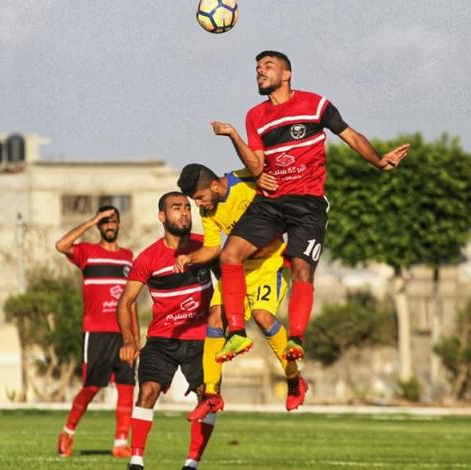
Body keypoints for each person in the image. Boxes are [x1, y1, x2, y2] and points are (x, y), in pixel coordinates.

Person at [212, 50, 410, 367]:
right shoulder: (255, 116)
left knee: (302, 270)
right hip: (270, 202)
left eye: (268, 66)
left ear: (287, 74)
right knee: (229, 255)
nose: (260, 71)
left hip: (307, 204)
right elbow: (257, 164)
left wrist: (378, 161)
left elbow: (349, 135)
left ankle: (296, 339)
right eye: (257, 67)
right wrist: (235, 137)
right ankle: (236, 331)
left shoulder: (315, 104)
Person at [176, 163, 305, 414]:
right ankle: (211, 395)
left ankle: (294, 379)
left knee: (262, 316)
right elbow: (212, 248)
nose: (198, 204)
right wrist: (189, 258)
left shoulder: (246, 180)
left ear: (215, 186)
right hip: (237, 268)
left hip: (269, 264)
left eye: (200, 198)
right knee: (215, 317)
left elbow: (268, 171)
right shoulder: (208, 212)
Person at [117, 192, 215, 470]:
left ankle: (192, 463)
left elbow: (232, 272)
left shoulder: (206, 247)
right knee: (147, 391)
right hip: (162, 339)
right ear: (162, 216)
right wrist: (129, 340)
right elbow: (125, 302)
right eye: (176, 208)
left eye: (187, 207)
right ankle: (136, 460)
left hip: (201, 339)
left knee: (207, 397)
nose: (184, 213)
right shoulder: (148, 258)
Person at [54, 206, 136, 458]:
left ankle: (120, 443)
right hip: (97, 332)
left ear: (119, 224)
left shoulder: (128, 257)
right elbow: (61, 245)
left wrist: (134, 337)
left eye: (113, 221)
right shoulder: (87, 252)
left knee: (127, 386)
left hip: (123, 334)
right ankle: (67, 432)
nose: (109, 225)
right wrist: (92, 220)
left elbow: (131, 300)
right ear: (100, 226)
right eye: (105, 221)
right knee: (91, 387)